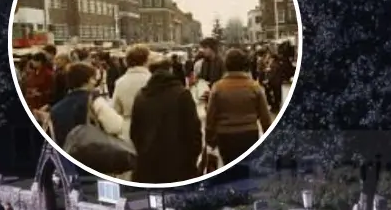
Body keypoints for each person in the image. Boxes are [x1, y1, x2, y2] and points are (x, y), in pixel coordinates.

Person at [130, 55, 202, 183]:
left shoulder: (140, 96)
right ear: (170, 70)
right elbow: (193, 130)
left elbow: (135, 132)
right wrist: (191, 158)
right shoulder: (181, 94)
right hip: (179, 164)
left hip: (149, 164)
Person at [205, 48, 273, 165]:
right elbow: (265, 117)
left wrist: (210, 138)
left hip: (225, 136)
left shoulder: (218, 87)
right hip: (249, 134)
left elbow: (210, 117)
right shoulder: (254, 87)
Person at [49, 61, 125, 149]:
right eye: (93, 78)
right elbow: (115, 126)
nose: (95, 81)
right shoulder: (95, 101)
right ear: (87, 80)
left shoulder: (56, 108)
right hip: (94, 152)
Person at [111, 45, 152, 135]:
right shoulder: (152, 79)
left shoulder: (120, 82)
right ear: (146, 60)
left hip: (128, 127)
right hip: (151, 127)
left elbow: (115, 109)